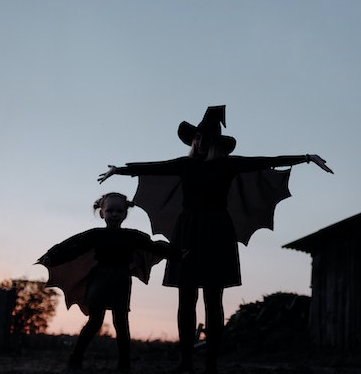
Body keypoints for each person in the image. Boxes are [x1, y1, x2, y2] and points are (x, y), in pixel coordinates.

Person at [98, 105, 332, 374]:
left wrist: (306, 157)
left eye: (203, 138)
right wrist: (119, 170)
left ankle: (211, 364)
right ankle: (185, 361)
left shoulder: (228, 165)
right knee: (186, 298)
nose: (198, 142)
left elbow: (265, 160)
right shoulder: (185, 165)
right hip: (186, 233)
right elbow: (155, 167)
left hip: (218, 232)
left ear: (214, 143)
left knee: (213, 298)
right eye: (196, 138)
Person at [37, 192, 177, 373]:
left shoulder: (133, 236)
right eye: (110, 210)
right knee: (95, 321)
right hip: (99, 280)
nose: (115, 214)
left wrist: (176, 253)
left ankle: (124, 364)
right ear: (102, 213)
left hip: (121, 281)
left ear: (125, 213)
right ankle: (75, 358)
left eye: (119, 211)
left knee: (121, 323)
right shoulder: (95, 235)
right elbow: (74, 249)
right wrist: (53, 258)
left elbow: (153, 246)